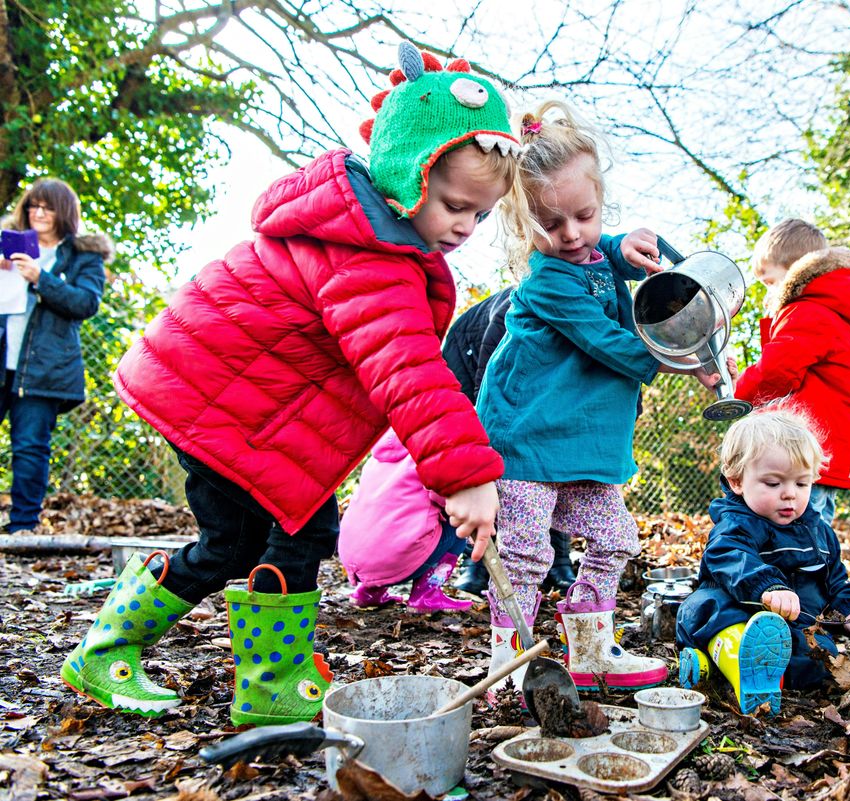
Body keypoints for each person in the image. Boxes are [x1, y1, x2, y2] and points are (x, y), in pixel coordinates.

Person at [59, 42, 521, 725]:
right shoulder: (369, 252)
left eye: (480, 215)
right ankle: (253, 676)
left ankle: (212, 662)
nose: (465, 226)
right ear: (406, 173)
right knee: (297, 530)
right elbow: (408, 371)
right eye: (455, 204)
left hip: (225, 405)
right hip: (216, 406)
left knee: (241, 542)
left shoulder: (360, 231)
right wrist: (465, 474)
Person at [477, 100, 715, 692]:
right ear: (523, 223)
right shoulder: (547, 280)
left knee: (615, 539)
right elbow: (612, 344)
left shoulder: (590, 250)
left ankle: (590, 646)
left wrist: (631, 240)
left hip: (580, 446)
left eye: (585, 215)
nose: (571, 234)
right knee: (529, 553)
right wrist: (685, 354)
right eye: (551, 225)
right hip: (527, 441)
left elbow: (602, 252)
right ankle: (510, 659)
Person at [675, 407, 850, 715]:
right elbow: (729, 555)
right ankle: (735, 663)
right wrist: (767, 586)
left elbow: (837, 580)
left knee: (820, 657)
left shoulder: (819, 532)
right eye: (773, 484)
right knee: (704, 608)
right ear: (737, 482)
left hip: (793, 629)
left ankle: (743, 674)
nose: (790, 495)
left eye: (801, 484)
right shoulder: (737, 524)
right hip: (739, 615)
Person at [733, 219, 850, 525]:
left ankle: (801, 572)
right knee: (816, 525)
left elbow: (776, 374)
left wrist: (739, 391)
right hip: (830, 444)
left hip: (806, 445)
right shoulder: (837, 312)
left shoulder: (808, 312)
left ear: (796, 272)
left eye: (770, 282)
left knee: (798, 527)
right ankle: (814, 570)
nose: (767, 294)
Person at [443, 287, 577, 597]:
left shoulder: (598, 321)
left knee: (556, 462)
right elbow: (488, 398)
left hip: (544, 390)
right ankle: (476, 564)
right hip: (470, 363)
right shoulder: (516, 309)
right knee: (493, 463)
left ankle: (558, 563)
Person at [0, 179, 110, 533]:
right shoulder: (7, 245)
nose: (38, 213)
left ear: (63, 211)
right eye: (33, 205)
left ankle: (22, 528)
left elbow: (85, 303)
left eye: (47, 207)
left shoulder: (82, 256)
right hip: (2, 360)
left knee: (30, 448)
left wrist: (41, 278)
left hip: (44, 370)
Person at [337, 429, 473, 611]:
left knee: (388, 519)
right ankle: (426, 593)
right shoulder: (431, 453)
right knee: (457, 524)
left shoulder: (378, 458)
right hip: (394, 560)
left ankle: (369, 591)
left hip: (354, 560)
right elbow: (448, 499)